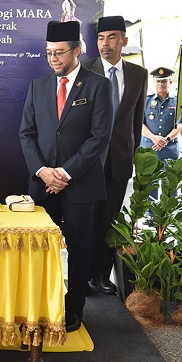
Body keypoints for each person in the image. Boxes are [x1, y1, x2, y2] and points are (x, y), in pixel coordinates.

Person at [19, 20, 113, 333]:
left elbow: (99, 137)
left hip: (80, 184)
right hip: (42, 184)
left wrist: (65, 172)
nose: (53, 59)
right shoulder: (38, 86)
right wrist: (43, 171)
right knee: (37, 248)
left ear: (76, 51)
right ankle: (38, 306)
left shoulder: (98, 85)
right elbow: (26, 134)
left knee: (79, 249)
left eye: (59, 52)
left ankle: (73, 310)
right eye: (49, 53)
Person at [82, 15, 148, 295]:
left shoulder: (138, 74)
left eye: (111, 37)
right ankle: (81, 276)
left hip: (119, 161)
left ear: (124, 41)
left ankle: (101, 275)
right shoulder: (85, 69)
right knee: (86, 220)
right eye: (100, 38)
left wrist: (132, 156)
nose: (104, 44)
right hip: (88, 161)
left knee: (109, 220)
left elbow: (136, 119)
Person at [141, 67, 179, 203]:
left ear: (170, 82)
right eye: (158, 81)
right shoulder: (146, 100)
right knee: (149, 184)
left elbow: (181, 125)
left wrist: (166, 140)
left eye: (164, 81)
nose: (160, 84)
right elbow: (139, 123)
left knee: (170, 184)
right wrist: (154, 138)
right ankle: (150, 213)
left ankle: (169, 212)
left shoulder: (177, 101)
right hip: (149, 149)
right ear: (154, 83)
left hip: (170, 150)